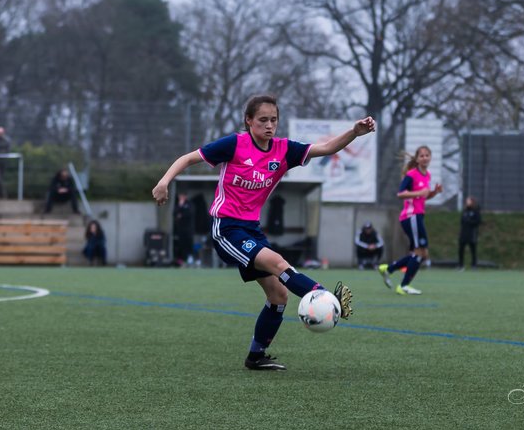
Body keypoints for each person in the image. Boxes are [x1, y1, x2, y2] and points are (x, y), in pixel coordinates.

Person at [152, 93, 375, 371]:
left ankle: (256, 356)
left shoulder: (284, 150)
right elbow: (187, 158)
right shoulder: (234, 144)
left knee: (278, 296)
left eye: (274, 120)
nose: (269, 125)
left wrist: (354, 132)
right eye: (262, 120)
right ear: (248, 121)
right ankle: (325, 296)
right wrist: (164, 182)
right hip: (226, 228)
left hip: (251, 230)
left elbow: (327, 148)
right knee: (279, 263)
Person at [378, 146, 442, 296]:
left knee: (420, 253)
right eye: (422, 156)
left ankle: (389, 269)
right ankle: (403, 285)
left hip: (418, 216)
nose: (425, 158)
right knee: (420, 252)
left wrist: (434, 192)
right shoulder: (411, 175)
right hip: (410, 216)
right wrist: (419, 192)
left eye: (427, 155)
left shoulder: (427, 175)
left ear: (430, 157)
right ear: (417, 159)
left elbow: (424, 197)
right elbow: (401, 193)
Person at [458, 196, 482, 270]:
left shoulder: (475, 211)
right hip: (464, 234)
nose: (467, 202)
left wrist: (469, 222)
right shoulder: (465, 211)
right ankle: (461, 266)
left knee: (473, 250)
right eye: (466, 201)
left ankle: (474, 265)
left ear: (472, 202)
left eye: (468, 201)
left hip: (472, 234)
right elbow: (462, 221)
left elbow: (478, 221)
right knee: (461, 250)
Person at [173, 192, 195, 265]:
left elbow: (190, 213)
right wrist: (180, 206)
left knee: (189, 243)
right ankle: (182, 260)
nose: (181, 197)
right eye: (180, 195)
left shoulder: (189, 204)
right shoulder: (178, 204)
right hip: (180, 229)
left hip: (188, 229)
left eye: (182, 195)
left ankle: (191, 258)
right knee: (181, 244)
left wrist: (181, 215)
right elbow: (174, 214)